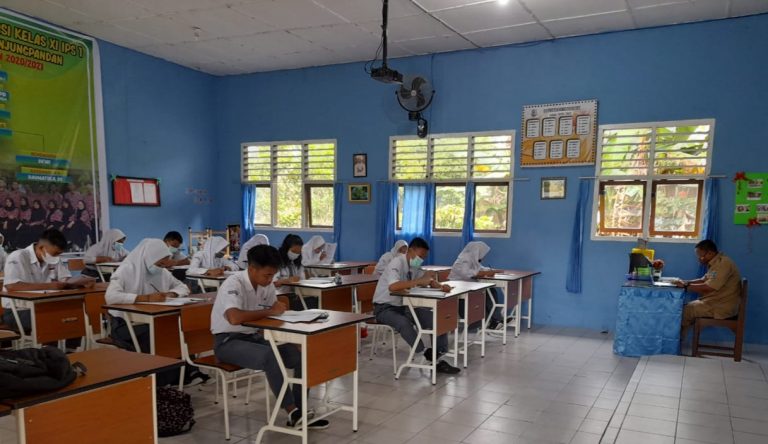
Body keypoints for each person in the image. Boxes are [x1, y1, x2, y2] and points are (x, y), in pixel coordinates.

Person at [211, 244, 329, 429]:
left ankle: (301, 410)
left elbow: (274, 315)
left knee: (301, 356)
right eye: (267, 275)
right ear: (252, 269)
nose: (270, 280)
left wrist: (289, 337)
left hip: (255, 337)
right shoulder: (233, 283)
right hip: (227, 342)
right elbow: (234, 318)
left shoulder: (266, 286)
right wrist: (270, 312)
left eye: (273, 275)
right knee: (270, 356)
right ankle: (292, 411)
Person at [372, 237, 461, 374]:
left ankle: (438, 355)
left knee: (436, 319)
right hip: (384, 307)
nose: (421, 260)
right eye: (420, 256)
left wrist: (440, 286)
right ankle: (425, 353)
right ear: (410, 251)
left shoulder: (414, 266)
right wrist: (418, 281)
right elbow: (393, 287)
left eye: (424, 257)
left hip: (404, 306)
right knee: (403, 323)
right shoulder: (397, 262)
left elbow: (427, 279)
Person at [1, 229, 89, 349]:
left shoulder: (53, 258)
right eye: (54, 254)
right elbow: (12, 286)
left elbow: (65, 278)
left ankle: (70, 351)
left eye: (59, 254)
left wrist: (78, 282)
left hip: (44, 306)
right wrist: (50, 286)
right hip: (17, 311)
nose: (56, 257)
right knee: (52, 318)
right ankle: (49, 354)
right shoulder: (18, 256)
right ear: (42, 247)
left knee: (74, 314)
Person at [105, 239, 190, 353]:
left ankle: (184, 363)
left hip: (153, 320)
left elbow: (183, 287)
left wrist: (171, 293)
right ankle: (162, 364)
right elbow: (110, 296)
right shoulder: (126, 270)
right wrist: (147, 298)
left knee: (179, 329)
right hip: (125, 324)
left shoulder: (162, 272)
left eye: (164, 264)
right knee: (158, 333)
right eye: (159, 264)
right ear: (149, 258)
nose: (161, 267)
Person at [676, 240, 742, 341]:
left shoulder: (723, 264)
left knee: (685, 311)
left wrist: (685, 286)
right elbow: (704, 280)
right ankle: (677, 340)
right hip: (715, 302)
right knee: (685, 308)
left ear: (710, 253)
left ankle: (675, 342)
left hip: (721, 307)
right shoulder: (716, 263)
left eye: (701, 256)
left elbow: (709, 287)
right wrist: (685, 282)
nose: (699, 259)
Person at [448, 241, 505, 330]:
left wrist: (494, 271)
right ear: (477, 252)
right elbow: (469, 273)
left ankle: (495, 319)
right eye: (482, 254)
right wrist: (488, 273)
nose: (483, 256)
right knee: (488, 292)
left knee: (491, 290)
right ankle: (495, 320)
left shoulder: (472, 259)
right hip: (460, 291)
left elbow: (481, 269)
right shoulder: (463, 261)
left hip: (469, 288)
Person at [274, 234, 307, 310]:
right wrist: (288, 280)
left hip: (294, 294)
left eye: (298, 252)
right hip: (280, 294)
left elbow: (302, 279)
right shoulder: (276, 261)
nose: (296, 254)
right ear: (286, 248)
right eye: (294, 251)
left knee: (312, 300)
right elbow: (273, 283)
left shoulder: (296, 262)